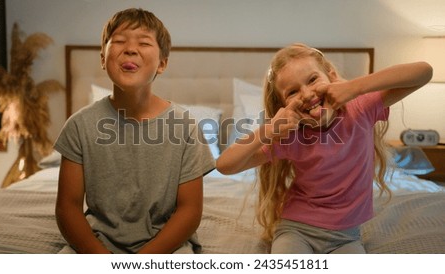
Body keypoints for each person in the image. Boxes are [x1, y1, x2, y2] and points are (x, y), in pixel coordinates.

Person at [216, 43, 432, 254]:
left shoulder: (361, 108)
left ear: (331, 75)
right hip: (296, 230)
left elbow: (424, 72)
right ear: (284, 106)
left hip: (346, 236)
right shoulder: (290, 137)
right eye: (292, 92)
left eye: (312, 79)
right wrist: (271, 128)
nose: (308, 94)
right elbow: (225, 165)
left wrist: (353, 87)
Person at [54, 8, 215, 254]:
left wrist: (141, 262)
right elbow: (68, 208)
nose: (130, 49)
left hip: (166, 246)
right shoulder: (79, 126)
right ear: (102, 58)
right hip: (96, 244)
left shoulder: (185, 126)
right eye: (119, 41)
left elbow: (190, 211)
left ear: (162, 63)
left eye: (143, 42)